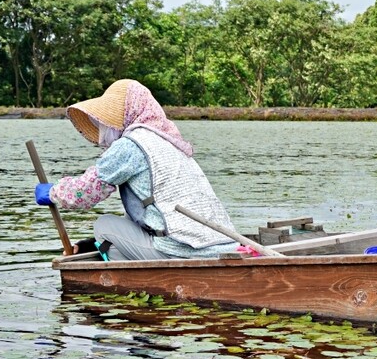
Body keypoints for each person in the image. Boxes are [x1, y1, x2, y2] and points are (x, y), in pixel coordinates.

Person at [34, 79, 238, 260]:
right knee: (111, 245)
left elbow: (86, 191)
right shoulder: (171, 143)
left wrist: (53, 193)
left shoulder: (131, 144)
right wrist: (90, 244)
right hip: (222, 243)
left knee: (103, 225)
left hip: (181, 248)